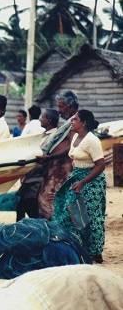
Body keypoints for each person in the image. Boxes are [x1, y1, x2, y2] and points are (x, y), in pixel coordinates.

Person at [52, 110, 106, 263]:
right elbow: (74, 159)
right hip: (76, 177)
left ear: (83, 123)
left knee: (91, 215)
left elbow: (100, 165)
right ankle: (78, 247)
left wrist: (83, 182)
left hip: (92, 180)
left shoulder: (92, 140)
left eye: (75, 120)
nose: (71, 122)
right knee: (71, 212)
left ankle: (95, 252)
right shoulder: (75, 136)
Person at [37, 90, 79, 219]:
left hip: (63, 172)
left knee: (50, 202)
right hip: (56, 171)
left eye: (61, 106)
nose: (59, 111)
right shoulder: (70, 122)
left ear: (70, 106)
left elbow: (70, 146)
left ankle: (56, 232)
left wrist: (51, 157)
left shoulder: (75, 122)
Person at [16, 109, 60, 221]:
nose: (40, 119)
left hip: (39, 178)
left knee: (30, 205)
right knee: (21, 204)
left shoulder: (54, 137)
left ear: (49, 120)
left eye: (42, 117)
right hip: (32, 176)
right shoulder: (43, 135)